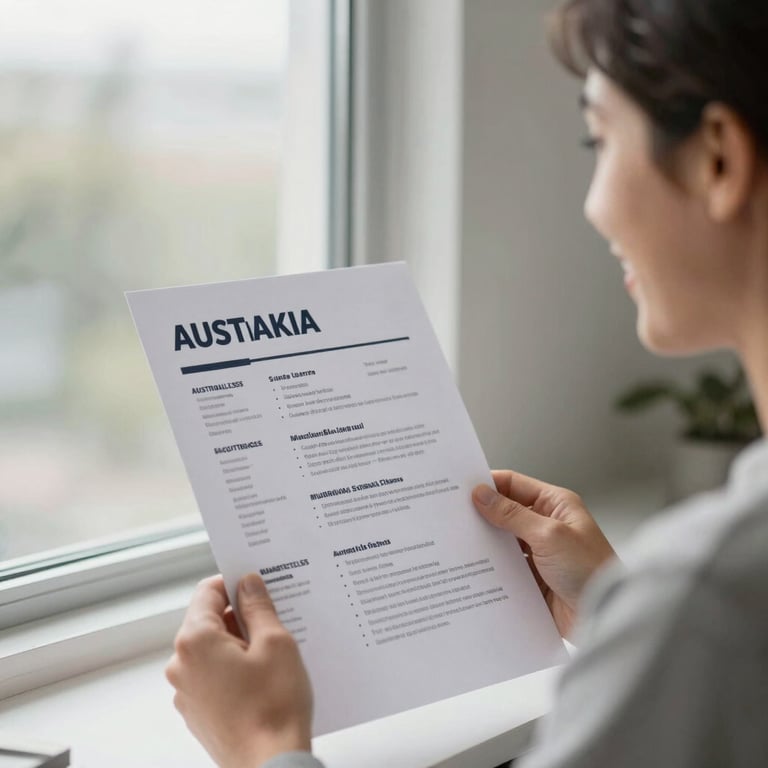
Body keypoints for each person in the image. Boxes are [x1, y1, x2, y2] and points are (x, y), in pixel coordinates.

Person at [164, 0, 768, 766]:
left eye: (600, 138)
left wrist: (263, 746)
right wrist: (624, 607)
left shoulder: (711, 599)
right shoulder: (709, 602)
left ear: (718, 158)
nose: (593, 204)